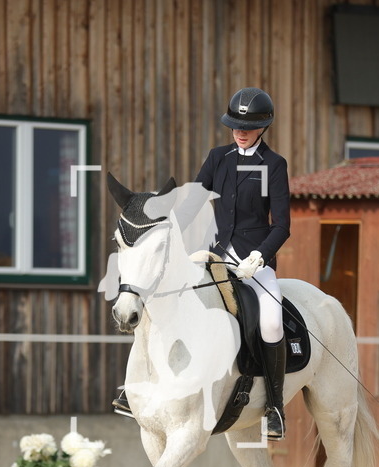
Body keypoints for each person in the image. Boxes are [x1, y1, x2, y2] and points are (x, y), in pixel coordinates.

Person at [114, 87, 291, 441]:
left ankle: (274, 405)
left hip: (254, 261)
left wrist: (260, 256)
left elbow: (282, 225)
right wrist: (161, 224)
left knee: (271, 322)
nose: (239, 131)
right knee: (165, 299)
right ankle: (135, 387)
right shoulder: (217, 158)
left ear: (263, 127)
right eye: (234, 125)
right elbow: (192, 203)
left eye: (248, 126)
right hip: (215, 255)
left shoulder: (274, 165)